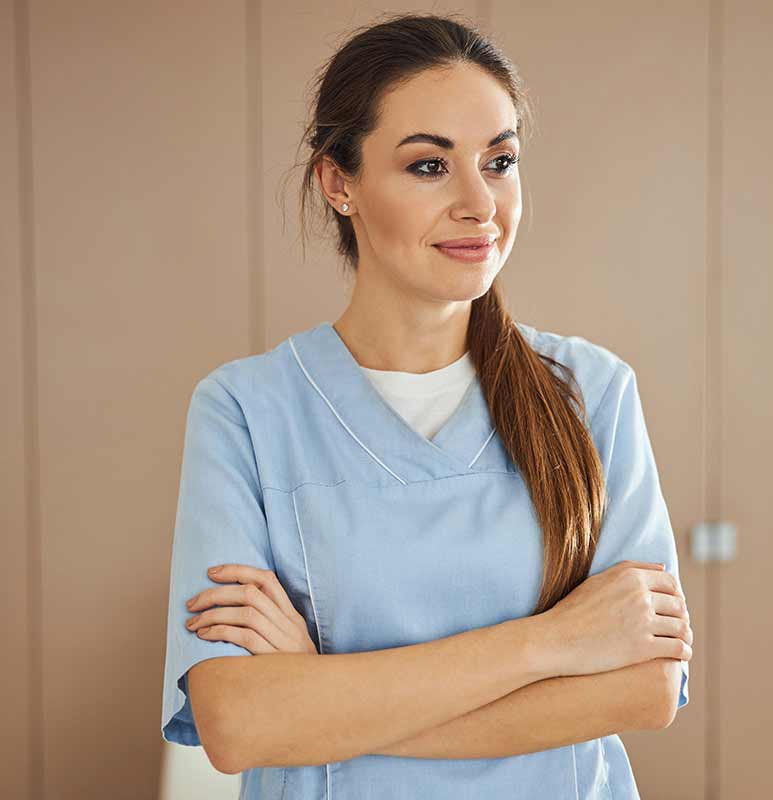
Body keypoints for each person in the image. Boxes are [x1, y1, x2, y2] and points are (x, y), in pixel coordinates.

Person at [161, 11, 691, 799]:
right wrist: (553, 644)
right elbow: (238, 725)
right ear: (339, 184)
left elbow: (646, 689)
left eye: (500, 160)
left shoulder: (591, 392)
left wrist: (321, 696)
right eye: (429, 167)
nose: (482, 204)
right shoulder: (246, 410)